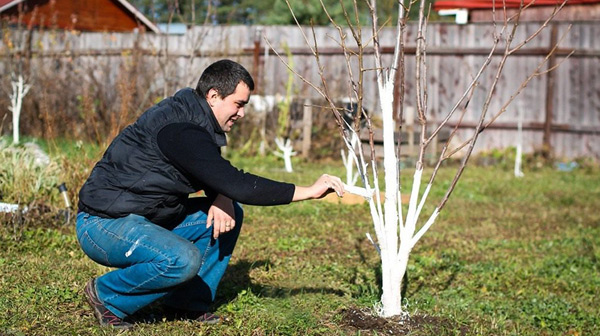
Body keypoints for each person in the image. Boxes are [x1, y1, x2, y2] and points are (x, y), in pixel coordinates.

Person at [76, 59, 344, 329]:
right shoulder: (180, 129)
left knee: (229, 214)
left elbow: (215, 173)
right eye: (239, 104)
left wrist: (222, 197)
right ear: (213, 96)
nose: (241, 114)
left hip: (147, 217)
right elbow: (236, 183)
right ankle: (106, 295)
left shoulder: (196, 118)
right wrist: (308, 191)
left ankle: (186, 303)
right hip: (103, 224)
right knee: (182, 259)